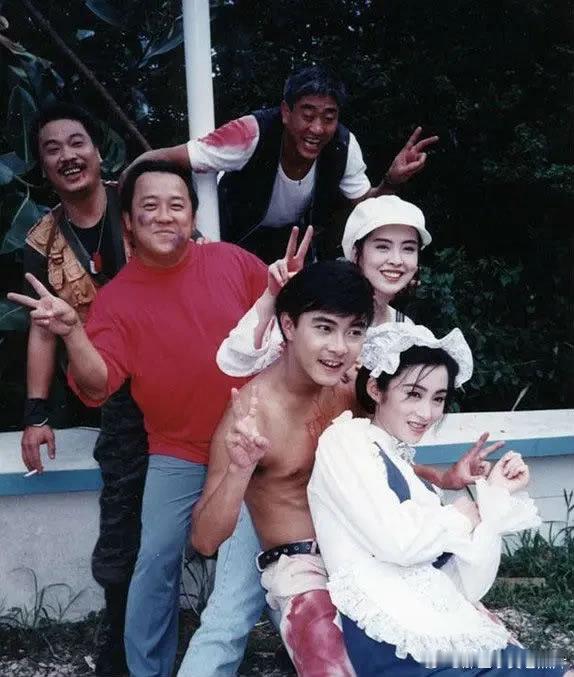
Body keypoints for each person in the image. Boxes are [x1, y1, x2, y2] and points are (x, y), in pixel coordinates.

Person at [9, 159, 269, 677]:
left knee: (271, 558)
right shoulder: (117, 299)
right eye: (150, 206)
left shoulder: (233, 262)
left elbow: (290, 320)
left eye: (177, 205)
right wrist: (73, 333)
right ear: (128, 221)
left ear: (192, 214)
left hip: (253, 442)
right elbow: (97, 384)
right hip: (176, 448)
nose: (165, 216)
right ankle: (147, 669)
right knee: (153, 562)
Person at [188, 263, 500, 676]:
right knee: (324, 659)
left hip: (367, 551)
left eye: (354, 331)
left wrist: (442, 478)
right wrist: (239, 470)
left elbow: (377, 460)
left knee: (472, 641)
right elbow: (205, 539)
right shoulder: (252, 415)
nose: (340, 347)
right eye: (324, 328)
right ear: (288, 325)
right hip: (304, 568)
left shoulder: (348, 390)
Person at [308, 323, 572, 676]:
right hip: (395, 639)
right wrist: (464, 514)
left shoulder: (406, 468)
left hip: (440, 624)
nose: (427, 412)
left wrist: (494, 495)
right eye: (413, 394)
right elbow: (399, 543)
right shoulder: (346, 442)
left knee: (555, 668)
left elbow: (467, 582)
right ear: (375, 389)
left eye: (438, 398)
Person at [21, 102, 147, 676]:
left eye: (77, 143)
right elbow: (42, 327)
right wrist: (36, 413)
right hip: (112, 386)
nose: (68, 156)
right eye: (53, 149)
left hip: (176, 370)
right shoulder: (41, 241)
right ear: (43, 166)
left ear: (98, 151)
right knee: (121, 505)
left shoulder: (143, 202)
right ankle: (117, 638)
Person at [125, 65, 439, 262]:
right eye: (308, 115)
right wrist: (123, 200)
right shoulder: (250, 133)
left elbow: (364, 209)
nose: (317, 129)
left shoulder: (343, 145)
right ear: (287, 113)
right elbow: (164, 157)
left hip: (290, 246)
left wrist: (391, 181)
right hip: (231, 237)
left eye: (328, 117)